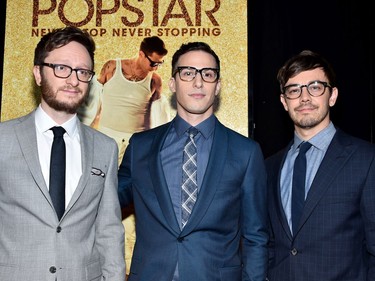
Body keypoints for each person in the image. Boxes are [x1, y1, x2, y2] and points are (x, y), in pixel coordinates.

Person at [118, 41, 269, 281]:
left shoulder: (246, 152)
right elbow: (106, 201)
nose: (198, 82)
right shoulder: (141, 147)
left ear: (217, 86)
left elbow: (256, 236)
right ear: (172, 83)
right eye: (187, 73)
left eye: (207, 74)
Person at [0, 26, 125, 281]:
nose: (73, 79)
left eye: (82, 71)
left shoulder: (105, 148)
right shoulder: (4, 139)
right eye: (61, 68)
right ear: (38, 74)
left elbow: (109, 230)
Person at [265, 50, 375, 280]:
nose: (304, 97)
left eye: (315, 87)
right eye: (294, 90)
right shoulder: (269, 167)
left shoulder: (366, 159)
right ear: (284, 102)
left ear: (332, 96)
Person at [77, 36, 169, 279]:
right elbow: (90, 106)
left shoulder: (155, 81)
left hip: (136, 148)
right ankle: (93, 263)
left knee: (136, 207)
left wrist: (155, 151)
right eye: (153, 62)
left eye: (159, 64)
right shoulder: (111, 68)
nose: (155, 67)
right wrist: (82, 138)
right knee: (99, 201)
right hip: (107, 142)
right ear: (141, 53)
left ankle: (129, 269)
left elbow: (158, 118)